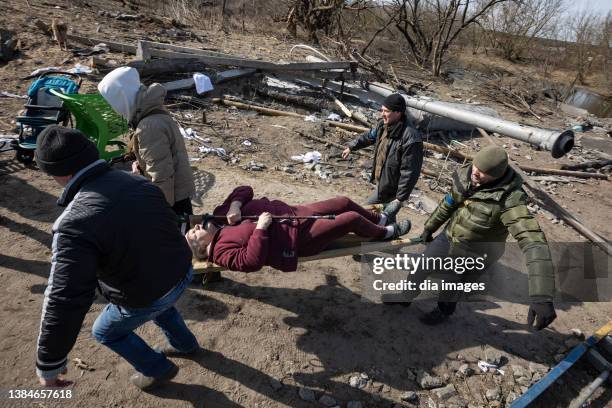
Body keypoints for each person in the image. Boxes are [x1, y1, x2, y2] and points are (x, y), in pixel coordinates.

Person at [34, 126, 198, 391]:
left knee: (105, 331)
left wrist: (49, 362)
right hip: (181, 271)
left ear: (57, 173)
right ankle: (185, 344)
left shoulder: (74, 222)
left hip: (150, 291)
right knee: (160, 301)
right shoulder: (138, 181)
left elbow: (65, 297)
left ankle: (156, 368)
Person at [409, 146, 556, 330]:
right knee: (421, 267)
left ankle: (443, 311)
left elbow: (534, 244)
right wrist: (430, 226)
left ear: (497, 176)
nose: (476, 173)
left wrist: (542, 296)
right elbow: (448, 203)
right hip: (449, 237)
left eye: (484, 172)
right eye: (476, 166)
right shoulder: (467, 175)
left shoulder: (509, 201)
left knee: (451, 286)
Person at [185, 186, 411, 272]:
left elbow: (244, 189)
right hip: (297, 239)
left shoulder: (220, 214)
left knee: (342, 201)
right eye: (194, 233)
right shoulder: (221, 251)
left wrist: (235, 204)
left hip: (294, 212)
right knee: (349, 218)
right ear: (203, 247)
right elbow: (250, 261)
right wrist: (261, 229)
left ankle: (380, 219)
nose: (196, 225)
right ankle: (387, 233)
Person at [98, 66, 195, 216]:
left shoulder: (148, 127)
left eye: (113, 104)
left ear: (123, 98)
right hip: (176, 194)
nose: (114, 109)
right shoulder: (149, 114)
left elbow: (161, 175)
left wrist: (158, 212)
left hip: (171, 202)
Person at [342, 93, 423, 211]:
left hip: (391, 189)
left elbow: (410, 171)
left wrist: (400, 198)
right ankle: (392, 229)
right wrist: (351, 147)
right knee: (385, 216)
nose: (382, 114)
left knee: (365, 211)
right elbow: (369, 136)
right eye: (382, 110)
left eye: (386, 111)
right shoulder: (383, 126)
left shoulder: (410, 138)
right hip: (383, 182)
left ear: (398, 112)